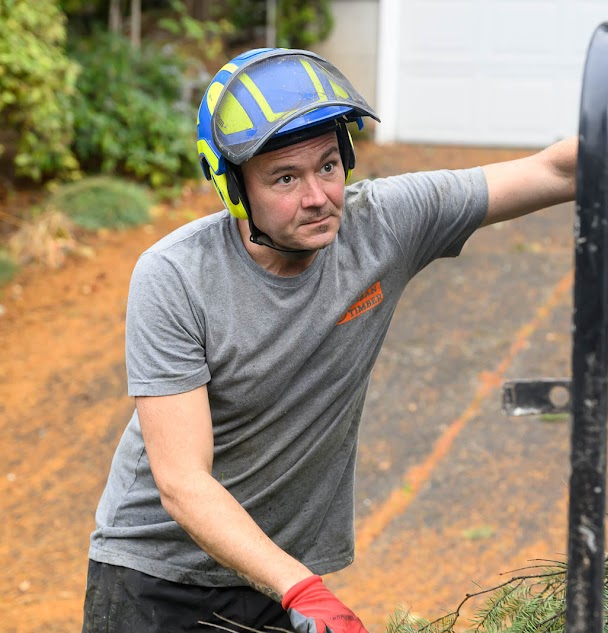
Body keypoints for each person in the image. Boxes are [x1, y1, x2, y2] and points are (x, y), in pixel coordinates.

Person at [82, 47, 577, 633]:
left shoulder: (382, 225)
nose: (317, 196)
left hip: (281, 576)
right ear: (234, 188)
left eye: (327, 166)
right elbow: (183, 482)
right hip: (155, 582)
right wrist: (304, 590)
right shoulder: (176, 277)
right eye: (285, 178)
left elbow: (555, 170)